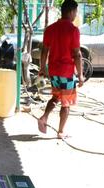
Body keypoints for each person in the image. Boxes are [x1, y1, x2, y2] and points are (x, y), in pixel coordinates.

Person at [37, 0, 84, 139]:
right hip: (67, 72)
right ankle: (61, 131)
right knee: (66, 103)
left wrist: (42, 68)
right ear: (70, 12)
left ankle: (44, 117)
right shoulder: (73, 30)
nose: (76, 14)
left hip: (53, 71)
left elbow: (44, 51)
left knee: (55, 97)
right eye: (75, 12)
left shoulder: (50, 29)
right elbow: (77, 54)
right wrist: (80, 75)